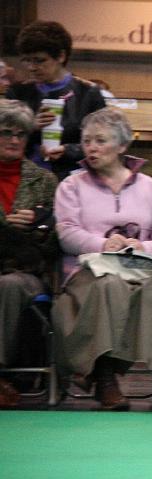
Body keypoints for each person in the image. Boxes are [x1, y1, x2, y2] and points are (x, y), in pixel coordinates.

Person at [52, 108, 152, 410]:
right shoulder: (71, 185)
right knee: (110, 285)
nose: (91, 147)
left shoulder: (151, 188)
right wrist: (103, 243)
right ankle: (105, 376)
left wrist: (145, 247)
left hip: (140, 269)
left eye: (101, 141)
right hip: (85, 270)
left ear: (122, 146)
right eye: (87, 141)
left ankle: (106, 371)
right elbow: (65, 233)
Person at [0, 100, 58, 407]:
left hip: (26, 273)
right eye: (6, 132)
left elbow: (54, 243)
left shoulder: (45, 181)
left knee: (8, 285)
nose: (13, 140)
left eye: (21, 134)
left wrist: (37, 226)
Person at [5, 21, 105, 179]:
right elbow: (4, 139)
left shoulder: (89, 93)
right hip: (23, 179)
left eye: (39, 60)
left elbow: (103, 143)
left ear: (61, 56)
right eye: (27, 60)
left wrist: (68, 150)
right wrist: (29, 125)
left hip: (74, 179)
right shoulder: (17, 92)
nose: (32, 67)